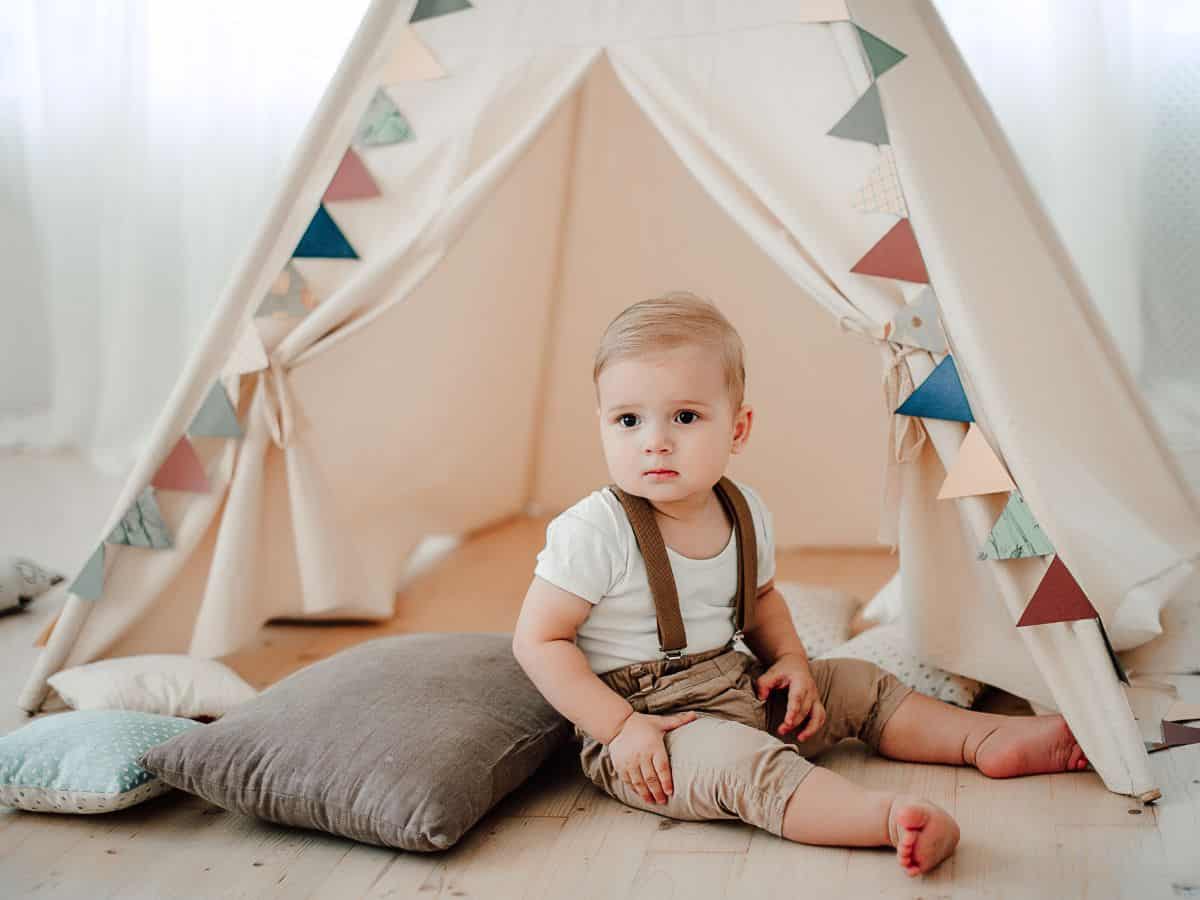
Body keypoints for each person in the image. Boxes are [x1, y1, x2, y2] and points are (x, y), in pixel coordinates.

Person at [511, 292, 1088, 877]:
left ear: (738, 429)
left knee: (858, 683)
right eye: (628, 420)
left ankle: (984, 740)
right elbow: (540, 641)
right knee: (742, 763)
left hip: (735, 681)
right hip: (649, 731)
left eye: (685, 417)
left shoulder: (743, 509)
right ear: (602, 426)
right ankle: (886, 819)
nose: (654, 440)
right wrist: (620, 728)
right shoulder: (595, 530)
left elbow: (760, 599)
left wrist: (789, 661)